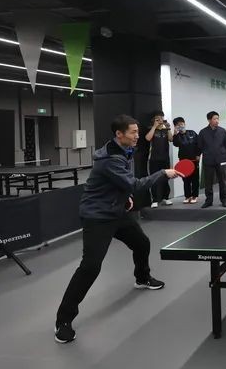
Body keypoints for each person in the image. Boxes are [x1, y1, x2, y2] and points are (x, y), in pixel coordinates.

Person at [54, 115, 182, 344]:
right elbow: (134, 183)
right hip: (98, 217)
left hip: (117, 211)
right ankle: (63, 321)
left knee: (142, 243)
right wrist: (163, 173)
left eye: (137, 131)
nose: (137, 136)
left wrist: (125, 196)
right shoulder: (110, 159)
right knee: (90, 267)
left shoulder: (124, 150)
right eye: (133, 132)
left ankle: (142, 278)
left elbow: (122, 184)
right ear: (119, 134)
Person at [198, 111, 226, 208]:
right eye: (215, 119)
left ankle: (224, 199)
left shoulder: (222, 131)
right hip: (208, 159)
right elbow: (200, 146)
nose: (217, 121)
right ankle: (209, 201)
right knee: (208, 182)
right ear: (209, 120)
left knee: (222, 181)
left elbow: (225, 144)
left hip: (220, 159)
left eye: (218, 118)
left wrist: (223, 153)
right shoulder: (203, 132)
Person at [145, 111, 173, 207]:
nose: (160, 120)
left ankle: (166, 198)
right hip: (154, 158)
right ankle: (155, 200)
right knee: (154, 179)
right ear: (154, 119)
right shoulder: (151, 128)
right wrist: (154, 126)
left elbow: (171, 139)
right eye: (158, 118)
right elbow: (147, 138)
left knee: (166, 178)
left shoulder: (165, 129)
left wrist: (168, 128)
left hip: (165, 158)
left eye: (161, 118)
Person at [172, 117, 201, 204]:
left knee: (195, 179)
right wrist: (175, 134)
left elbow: (199, 144)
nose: (180, 126)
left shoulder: (192, 133)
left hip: (194, 160)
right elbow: (175, 144)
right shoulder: (177, 136)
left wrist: (198, 155)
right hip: (183, 161)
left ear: (184, 124)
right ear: (175, 126)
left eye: (182, 124)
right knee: (186, 179)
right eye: (178, 125)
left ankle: (194, 196)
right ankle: (187, 196)